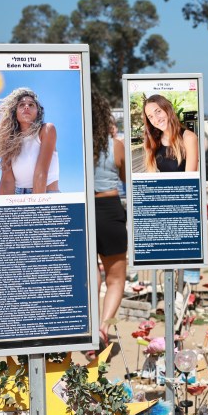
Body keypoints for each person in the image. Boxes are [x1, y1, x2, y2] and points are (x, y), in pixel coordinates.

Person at [91, 89, 127, 352]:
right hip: (110, 209)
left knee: (91, 277)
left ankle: (90, 328)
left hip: (83, 211)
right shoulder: (115, 146)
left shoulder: (75, 145)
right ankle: (105, 326)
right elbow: (127, 179)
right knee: (115, 279)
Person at [0, 87, 59, 194]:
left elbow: (41, 172)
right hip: (18, 196)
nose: (26, 107)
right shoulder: (9, 140)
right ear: (15, 112)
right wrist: (4, 208)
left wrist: (37, 206)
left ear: (38, 112)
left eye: (31, 105)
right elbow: (7, 181)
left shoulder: (46, 130)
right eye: (21, 105)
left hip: (46, 193)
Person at [142, 94, 198, 172]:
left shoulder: (189, 138)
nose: (156, 119)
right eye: (150, 117)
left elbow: (190, 181)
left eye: (158, 111)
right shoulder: (154, 140)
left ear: (168, 109)